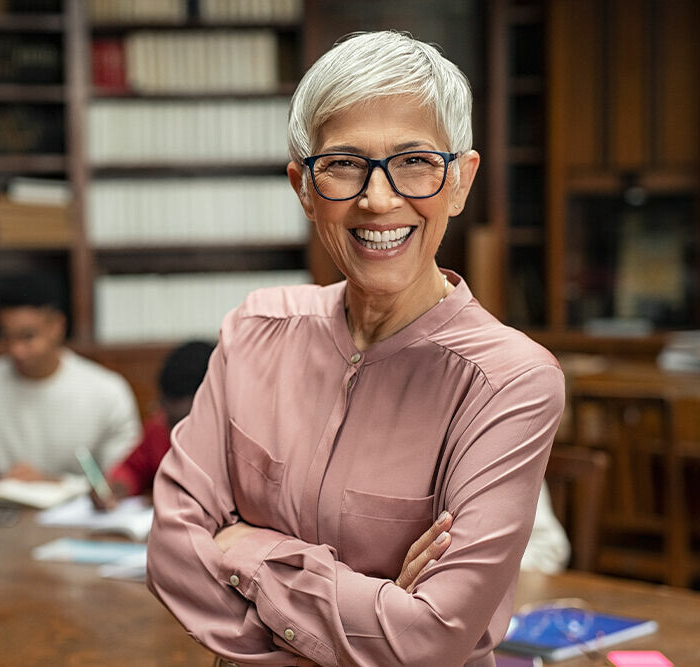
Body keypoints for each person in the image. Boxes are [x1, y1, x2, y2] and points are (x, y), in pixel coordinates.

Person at [145, 31, 565, 666]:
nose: (378, 198)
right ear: (304, 188)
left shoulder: (510, 382)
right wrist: (377, 606)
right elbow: (172, 553)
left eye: (415, 161)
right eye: (343, 163)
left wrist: (247, 550)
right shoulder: (253, 331)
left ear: (460, 181)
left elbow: (429, 639)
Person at [0, 279, 141, 481]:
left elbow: (124, 479)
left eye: (27, 336)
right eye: (6, 337)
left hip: (76, 510)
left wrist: (53, 482)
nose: (16, 350)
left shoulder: (107, 391)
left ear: (57, 326)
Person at [104, 340, 215, 501]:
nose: (173, 431)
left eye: (181, 421)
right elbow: (132, 468)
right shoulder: (159, 426)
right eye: (164, 409)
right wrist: (118, 486)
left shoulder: (237, 440)